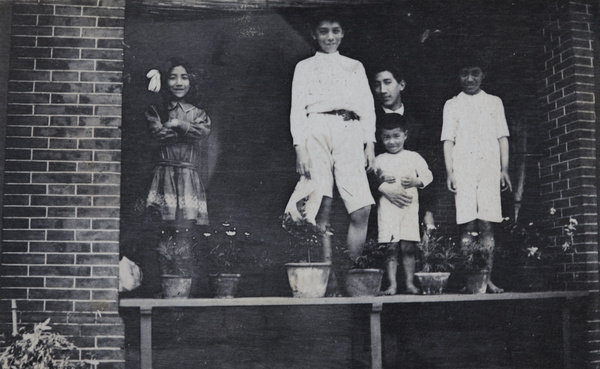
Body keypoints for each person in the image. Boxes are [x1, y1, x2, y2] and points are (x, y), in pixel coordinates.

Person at [284, 12, 376, 268]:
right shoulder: (304, 67)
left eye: (336, 30)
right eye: (323, 31)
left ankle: (352, 270)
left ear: (343, 33)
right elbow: (297, 109)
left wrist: (370, 142)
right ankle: (327, 276)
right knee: (321, 203)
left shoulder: (354, 66)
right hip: (316, 129)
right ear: (314, 34)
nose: (330, 36)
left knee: (361, 208)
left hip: (350, 129)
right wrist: (300, 147)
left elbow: (367, 106)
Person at [441, 57, 511, 294]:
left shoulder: (494, 102)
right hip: (464, 169)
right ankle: (471, 279)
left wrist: (504, 169)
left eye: (475, 73)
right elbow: (448, 141)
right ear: (458, 76)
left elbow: (502, 137)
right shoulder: (452, 104)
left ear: (483, 75)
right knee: (468, 225)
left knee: (487, 224)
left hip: (489, 168)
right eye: (464, 73)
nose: (469, 79)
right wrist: (450, 171)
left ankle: (486, 279)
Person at [145, 57, 212, 280]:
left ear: (192, 81)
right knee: (164, 229)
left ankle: (183, 284)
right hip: (164, 175)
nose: (179, 82)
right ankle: (166, 281)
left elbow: (201, 132)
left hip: (186, 176)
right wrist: (180, 130)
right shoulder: (157, 108)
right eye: (173, 77)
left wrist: (177, 124)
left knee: (185, 231)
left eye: (184, 77)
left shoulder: (198, 112)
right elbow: (157, 133)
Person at [371, 65, 437, 238]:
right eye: (377, 85)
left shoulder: (418, 123)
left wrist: (428, 211)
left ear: (401, 85)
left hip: (412, 204)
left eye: (387, 83)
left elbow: (429, 168)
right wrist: (382, 186)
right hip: (379, 204)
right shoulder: (369, 123)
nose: (382, 90)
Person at [375, 114, 432, 294]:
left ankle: (409, 283)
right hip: (388, 209)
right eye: (387, 137)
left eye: (396, 136)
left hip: (409, 208)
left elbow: (428, 176)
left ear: (405, 135)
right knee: (391, 246)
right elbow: (373, 179)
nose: (392, 142)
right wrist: (381, 178)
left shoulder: (413, 157)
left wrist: (416, 182)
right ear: (381, 138)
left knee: (408, 246)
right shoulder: (379, 159)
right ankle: (392, 284)